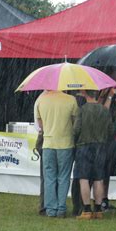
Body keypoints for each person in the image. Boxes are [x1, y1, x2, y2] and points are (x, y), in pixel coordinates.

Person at [35, 90, 78, 218]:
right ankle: (61, 208)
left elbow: (40, 124)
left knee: (49, 178)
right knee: (63, 177)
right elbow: (75, 121)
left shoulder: (41, 100)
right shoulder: (71, 100)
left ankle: (50, 209)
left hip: (48, 143)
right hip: (66, 144)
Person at [73, 90, 114, 220]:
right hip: (101, 146)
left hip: (84, 146)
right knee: (98, 179)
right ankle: (98, 210)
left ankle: (86, 210)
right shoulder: (105, 111)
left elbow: (76, 130)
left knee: (83, 178)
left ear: (85, 94)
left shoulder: (82, 110)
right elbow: (111, 130)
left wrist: (76, 140)